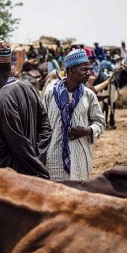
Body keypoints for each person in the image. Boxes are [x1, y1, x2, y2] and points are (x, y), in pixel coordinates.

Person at [0, 39, 51, 179]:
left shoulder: (2, 100)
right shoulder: (29, 88)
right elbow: (46, 128)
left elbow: (19, 144)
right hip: (28, 173)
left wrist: (39, 170)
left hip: (10, 178)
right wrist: (38, 157)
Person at [43, 48, 105, 181]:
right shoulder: (50, 94)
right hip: (54, 158)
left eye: (89, 69)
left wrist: (88, 130)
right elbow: (42, 124)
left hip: (80, 158)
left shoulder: (89, 95)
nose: (88, 73)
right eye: (84, 69)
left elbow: (100, 122)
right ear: (71, 70)